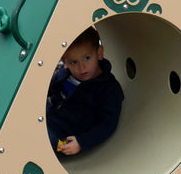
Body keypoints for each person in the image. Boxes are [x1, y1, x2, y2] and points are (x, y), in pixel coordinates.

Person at [46, 27, 124, 156]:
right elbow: (49, 89)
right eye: (73, 62)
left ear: (99, 53)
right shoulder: (65, 73)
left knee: (50, 142)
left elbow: (107, 125)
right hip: (50, 117)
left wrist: (82, 142)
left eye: (87, 58)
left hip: (66, 137)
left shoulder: (109, 89)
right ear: (64, 62)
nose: (81, 67)